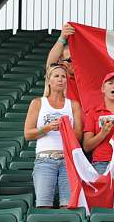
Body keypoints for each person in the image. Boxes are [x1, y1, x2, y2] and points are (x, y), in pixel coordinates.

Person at [24, 64, 83, 208]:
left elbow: (79, 135)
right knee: (43, 205)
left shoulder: (73, 105)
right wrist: (47, 128)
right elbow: (28, 134)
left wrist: (65, 128)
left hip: (68, 160)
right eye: (56, 76)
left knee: (69, 206)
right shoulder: (38, 103)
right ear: (48, 80)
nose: (60, 79)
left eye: (63, 76)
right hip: (45, 160)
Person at [46, 23, 80, 102]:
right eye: (70, 60)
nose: (74, 63)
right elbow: (50, 65)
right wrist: (62, 38)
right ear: (61, 62)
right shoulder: (62, 78)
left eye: (77, 59)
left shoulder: (88, 77)